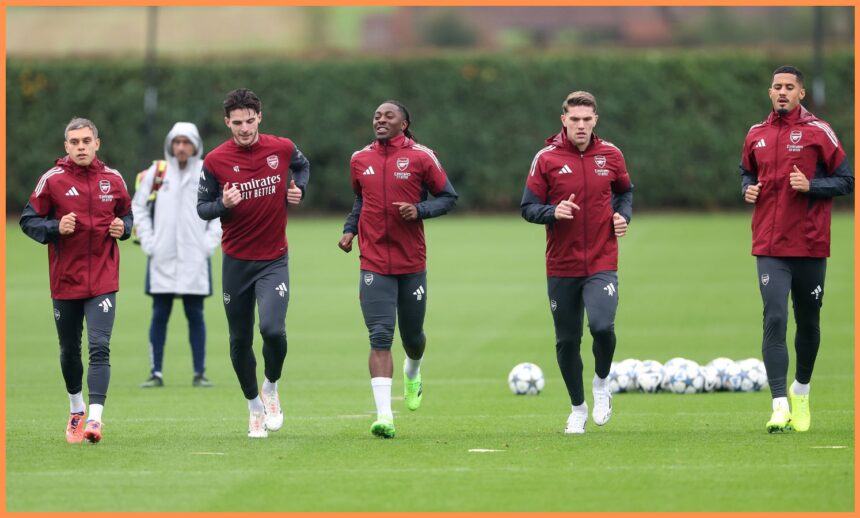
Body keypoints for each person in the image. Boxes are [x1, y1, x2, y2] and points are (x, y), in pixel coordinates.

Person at [740, 65, 853, 433]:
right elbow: (746, 172)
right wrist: (747, 189)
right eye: (777, 86)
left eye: (790, 87)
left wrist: (812, 185)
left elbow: (846, 180)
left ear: (801, 93)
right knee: (774, 317)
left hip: (809, 243)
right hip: (770, 245)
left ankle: (800, 391)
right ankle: (778, 405)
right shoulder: (756, 134)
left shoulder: (819, 132)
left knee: (808, 322)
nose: (783, 92)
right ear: (769, 92)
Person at [339, 100, 458, 438]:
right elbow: (360, 202)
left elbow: (448, 197)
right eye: (376, 115)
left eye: (388, 116)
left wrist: (419, 209)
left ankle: (414, 370)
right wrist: (350, 230)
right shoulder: (360, 159)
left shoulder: (421, 156)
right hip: (373, 260)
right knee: (379, 336)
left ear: (404, 124)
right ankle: (385, 415)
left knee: (412, 338)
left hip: (411, 263)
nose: (380, 119)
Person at [197, 89, 309, 438]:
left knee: (273, 330)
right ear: (226, 122)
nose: (244, 128)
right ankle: (253, 407)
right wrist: (223, 204)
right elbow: (202, 208)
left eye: (249, 121)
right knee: (239, 340)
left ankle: (271, 387)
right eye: (237, 123)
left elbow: (302, 167)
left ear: (259, 117)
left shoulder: (282, 148)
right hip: (236, 264)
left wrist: (299, 189)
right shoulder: (215, 160)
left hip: (274, 259)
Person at [521, 91, 633, 434]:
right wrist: (553, 211)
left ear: (595, 120)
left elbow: (625, 191)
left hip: (601, 260)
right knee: (567, 341)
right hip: (562, 265)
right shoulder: (546, 159)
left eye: (587, 120)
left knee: (601, 327)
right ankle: (577, 408)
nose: (581, 125)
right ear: (564, 120)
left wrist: (622, 215)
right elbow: (528, 207)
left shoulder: (611, 154)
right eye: (575, 120)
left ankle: (601, 384)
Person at [20, 117, 133, 444]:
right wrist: (56, 227)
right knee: (70, 350)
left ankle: (95, 420)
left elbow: (127, 216)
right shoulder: (52, 180)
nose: (81, 147)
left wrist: (123, 229)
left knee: (99, 346)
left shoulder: (112, 179)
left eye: (86, 141)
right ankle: (76, 408)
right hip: (65, 280)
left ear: (97, 143)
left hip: (103, 278)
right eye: (74, 142)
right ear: (66, 146)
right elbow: (28, 220)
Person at [133, 122, 222, 389]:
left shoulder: (207, 172)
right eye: (177, 142)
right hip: (162, 256)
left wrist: (208, 244)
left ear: (196, 145)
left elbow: (220, 210)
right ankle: (155, 371)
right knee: (159, 313)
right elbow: (137, 207)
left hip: (196, 257)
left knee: (196, 314)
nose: (181, 147)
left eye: (186, 142)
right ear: (170, 144)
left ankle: (199, 372)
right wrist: (149, 242)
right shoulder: (157, 173)